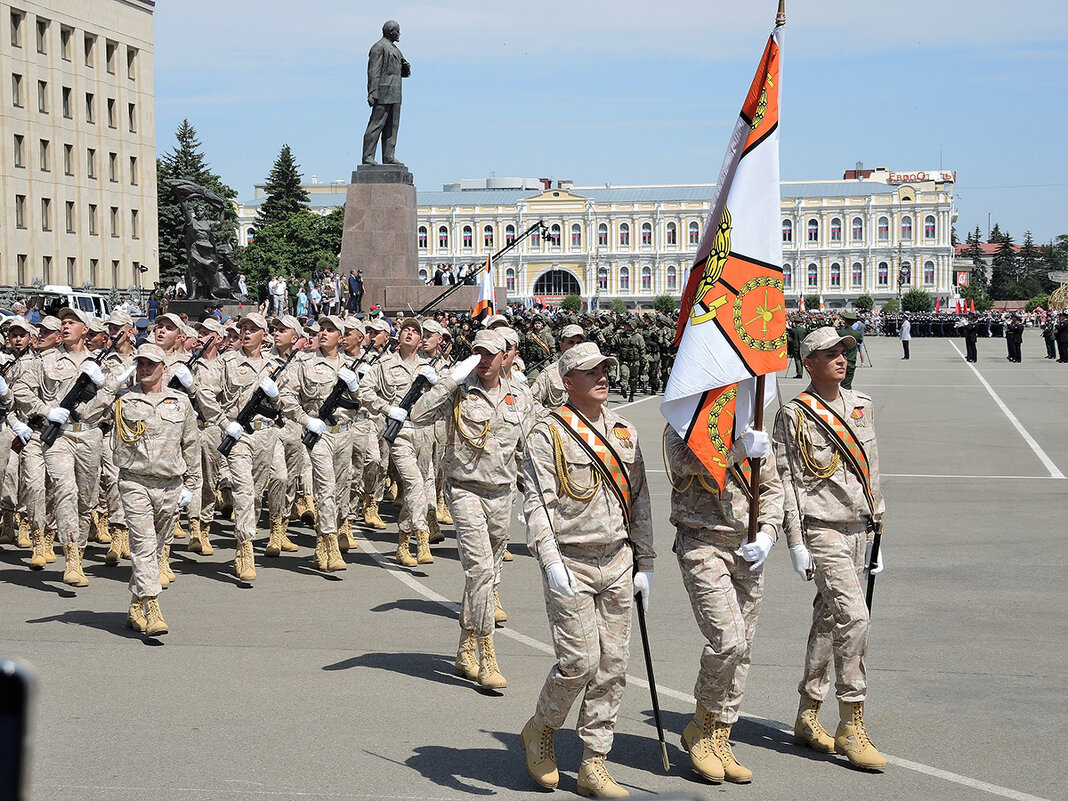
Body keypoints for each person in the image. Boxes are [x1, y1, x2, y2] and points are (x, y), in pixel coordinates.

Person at [519, 342, 654, 798]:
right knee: (579, 663)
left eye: (606, 369)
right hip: (571, 561)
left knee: (613, 667)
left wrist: (645, 562)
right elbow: (537, 500)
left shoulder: (624, 431)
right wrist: (549, 557)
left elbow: (640, 502)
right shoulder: (546, 433)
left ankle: (594, 762)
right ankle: (540, 727)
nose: (603, 376)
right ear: (566, 381)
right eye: (590, 371)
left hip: (617, 560)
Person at [772, 327, 887, 772]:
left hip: (860, 528)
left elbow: (872, 471)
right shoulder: (794, 414)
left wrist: (879, 531)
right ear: (809, 363)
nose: (841, 358)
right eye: (830, 353)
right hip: (821, 530)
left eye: (843, 351)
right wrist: (796, 541)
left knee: (827, 619)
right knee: (855, 617)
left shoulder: (862, 406)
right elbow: (787, 479)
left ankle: (807, 711)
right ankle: (851, 721)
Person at [411, 329, 531, 690]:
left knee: (487, 572)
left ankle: (464, 645)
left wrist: (537, 497)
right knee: (479, 570)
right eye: (478, 352)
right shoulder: (459, 392)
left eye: (491, 353)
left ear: (506, 357)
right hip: (464, 490)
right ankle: (486, 652)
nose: (484, 359)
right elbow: (417, 415)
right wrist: (449, 380)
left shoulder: (519, 396)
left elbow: (528, 447)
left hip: (502, 492)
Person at [666, 421, 783, 784]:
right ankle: (701, 728)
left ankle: (721, 734)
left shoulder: (752, 428)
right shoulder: (683, 422)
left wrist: (768, 533)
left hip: (746, 549)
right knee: (727, 640)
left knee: (742, 648)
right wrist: (738, 449)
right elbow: (684, 461)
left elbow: (773, 488)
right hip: (702, 543)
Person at [112, 343, 199, 637]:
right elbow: (89, 410)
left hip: (170, 484)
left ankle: (135, 605)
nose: (145, 369)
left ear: (164, 367)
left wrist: (192, 484)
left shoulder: (180, 402)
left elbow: (190, 444)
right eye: (141, 364)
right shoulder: (123, 399)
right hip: (135, 482)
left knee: (157, 547)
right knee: (144, 546)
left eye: (151, 364)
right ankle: (152, 607)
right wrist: (115, 382)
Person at [362, 20, 410, 166]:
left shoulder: (396, 50)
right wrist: (372, 92)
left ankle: (389, 156)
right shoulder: (378, 47)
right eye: (397, 31)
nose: (399, 34)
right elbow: (373, 72)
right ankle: (367, 156)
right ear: (390, 31)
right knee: (376, 125)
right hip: (383, 92)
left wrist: (406, 69)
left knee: (393, 127)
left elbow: (399, 72)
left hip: (396, 92)